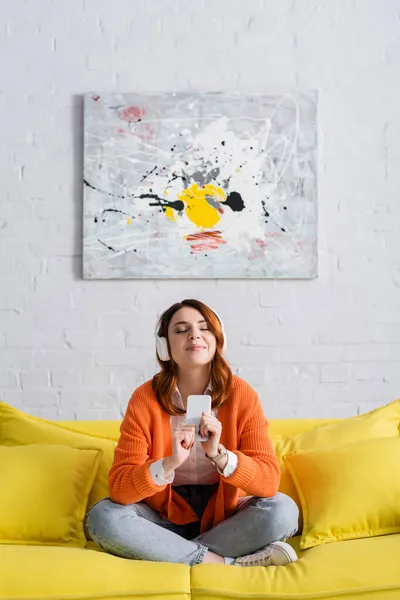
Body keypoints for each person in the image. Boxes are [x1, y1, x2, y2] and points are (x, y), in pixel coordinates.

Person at [86, 299, 299, 567]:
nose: (194, 335)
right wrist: (168, 464)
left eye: (204, 328)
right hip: (161, 520)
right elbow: (119, 489)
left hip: (225, 520)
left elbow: (268, 483)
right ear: (164, 346)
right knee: (103, 516)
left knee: (283, 510)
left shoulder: (242, 395)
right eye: (181, 329)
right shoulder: (144, 399)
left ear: (217, 340)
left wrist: (219, 455)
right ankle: (223, 563)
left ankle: (175, 554)